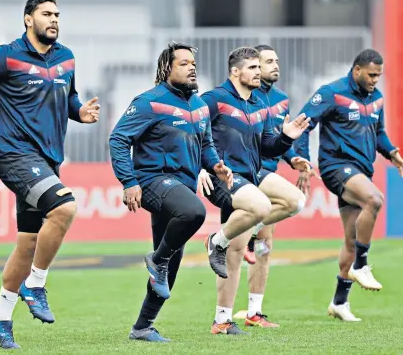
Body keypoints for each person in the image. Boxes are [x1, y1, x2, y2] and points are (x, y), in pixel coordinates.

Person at [0, 0, 100, 349]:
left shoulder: (66, 58)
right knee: (64, 207)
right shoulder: (5, 56)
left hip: (47, 160)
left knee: (28, 242)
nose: (54, 20)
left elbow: (69, 98)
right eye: (46, 14)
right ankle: (36, 283)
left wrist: (81, 112)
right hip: (14, 155)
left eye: (57, 14)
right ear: (27, 19)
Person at [109, 42, 233, 342]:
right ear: (167, 68)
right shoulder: (148, 102)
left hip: (181, 187)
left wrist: (216, 165)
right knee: (194, 212)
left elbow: (206, 145)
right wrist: (129, 182)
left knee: (172, 266)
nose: (192, 67)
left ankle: (142, 327)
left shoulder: (200, 105)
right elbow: (118, 139)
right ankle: (157, 259)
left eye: (194, 63)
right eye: (184, 63)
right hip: (153, 181)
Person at [199, 46, 309, 334]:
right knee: (250, 225)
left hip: (250, 178)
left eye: (260, 67)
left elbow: (268, 146)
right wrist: (200, 167)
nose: (259, 71)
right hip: (225, 179)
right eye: (254, 67)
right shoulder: (214, 99)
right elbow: (192, 133)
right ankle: (215, 243)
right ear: (235, 71)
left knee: (242, 248)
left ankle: (231, 317)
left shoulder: (259, 105)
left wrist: (286, 138)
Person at [294, 48, 403, 321]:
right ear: (357, 70)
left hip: (360, 171)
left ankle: (339, 303)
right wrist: (303, 160)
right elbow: (303, 123)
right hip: (335, 166)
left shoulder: (377, 99)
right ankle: (362, 266)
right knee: (374, 200)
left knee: (351, 239)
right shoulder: (332, 93)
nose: (375, 80)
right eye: (371, 74)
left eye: (379, 75)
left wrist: (392, 153)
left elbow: (378, 135)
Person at [235, 44, 314, 329]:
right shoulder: (245, 97)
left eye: (276, 61)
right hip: (250, 174)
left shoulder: (281, 100)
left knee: (264, 248)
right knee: (295, 202)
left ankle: (254, 312)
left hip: (269, 171)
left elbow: (275, 141)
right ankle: (222, 314)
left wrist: (294, 158)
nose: (275, 66)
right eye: (268, 61)